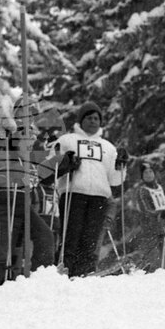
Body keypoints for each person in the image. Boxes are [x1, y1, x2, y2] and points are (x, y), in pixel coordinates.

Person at [0, 98, 56, 292]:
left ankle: (38, 279)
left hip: (24, 199)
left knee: (44, 237)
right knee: (4, 248)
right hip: (5, 196)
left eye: (32, 113)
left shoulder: (34, 138)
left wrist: (61, 163)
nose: (28, 117)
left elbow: (41, 170)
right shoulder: (3, 131)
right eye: (24, 112)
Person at [54, 101, 126, 276]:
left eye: (96, 118)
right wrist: (65, 164)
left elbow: (115, 180)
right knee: (72, 236)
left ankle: (85, 272)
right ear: (81, 120)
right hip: (74, 193)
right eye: (89, 118)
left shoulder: (108, 147)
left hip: (99, 197)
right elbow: (52, 167)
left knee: (90, 239)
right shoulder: (67, 140)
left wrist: (121, 166)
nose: (93, 121)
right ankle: (65, 270)